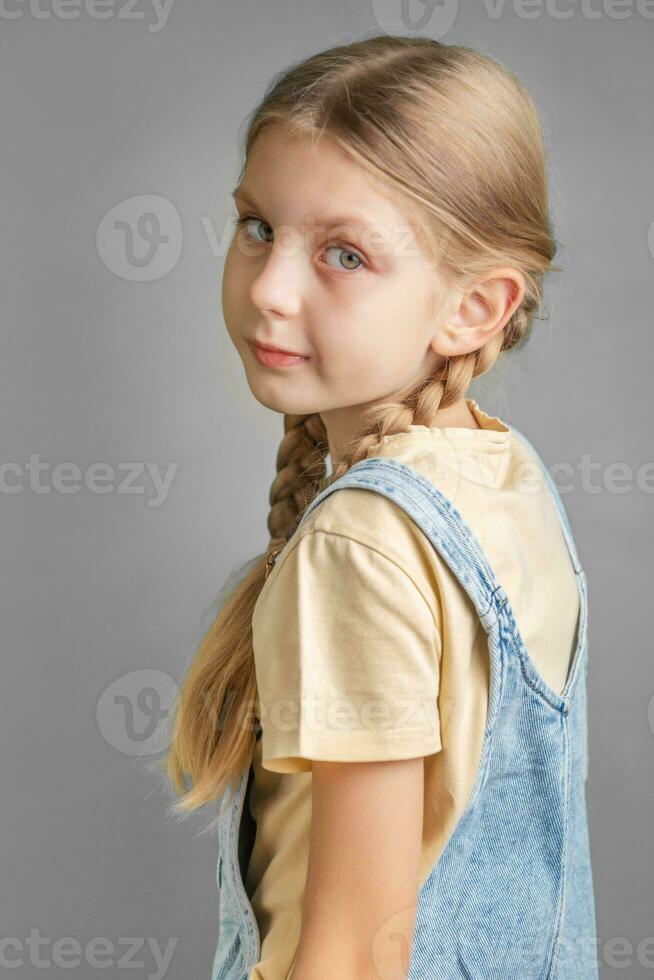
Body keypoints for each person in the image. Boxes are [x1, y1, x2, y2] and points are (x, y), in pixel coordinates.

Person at [161, 34, 599, 979]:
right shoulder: (503, 472)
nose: (271, 289)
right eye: (257, 228)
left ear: (476, 308)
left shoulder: (360, 541)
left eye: (345, 254)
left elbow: (358, 953)